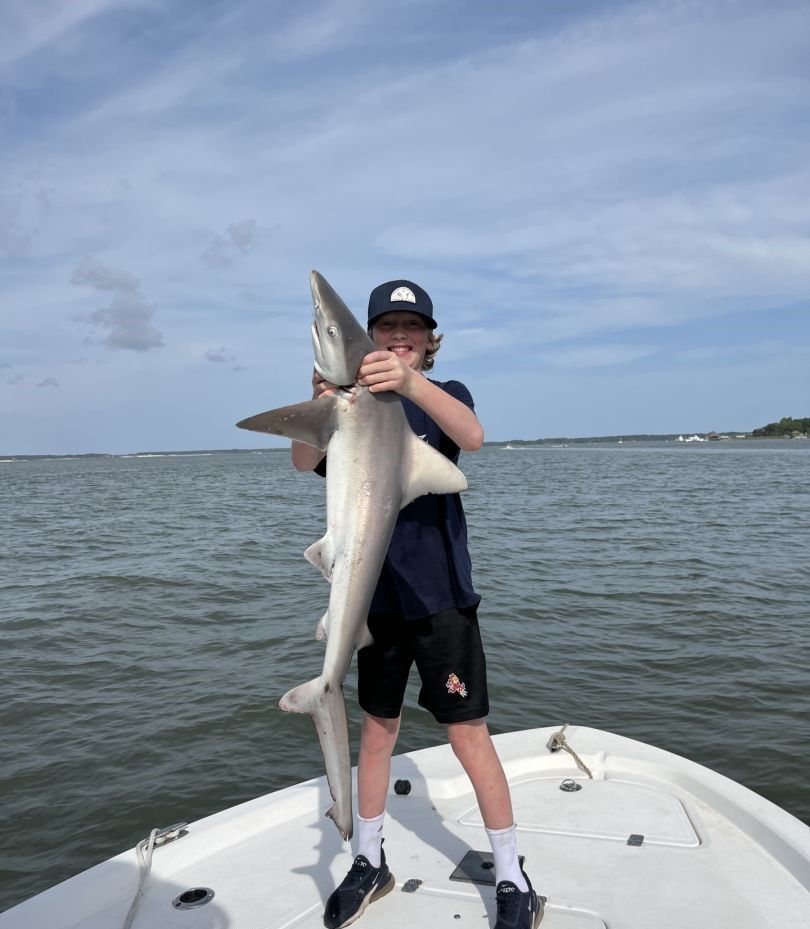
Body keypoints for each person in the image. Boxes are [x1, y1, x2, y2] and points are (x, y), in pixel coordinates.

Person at [291, 280, 543, 929]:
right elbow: (301, 461)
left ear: (429, 342)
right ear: (370, 336)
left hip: (440, 603)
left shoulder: (442, 395)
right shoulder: (351, 407)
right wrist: (320, 402)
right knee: (377, 733)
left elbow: (474, 435)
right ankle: (368, 858)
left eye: (412, 328)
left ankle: (514, 874)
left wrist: (404, 381)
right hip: (373, 602)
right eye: (387, 327)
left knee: (468, 734)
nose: (398, 335)